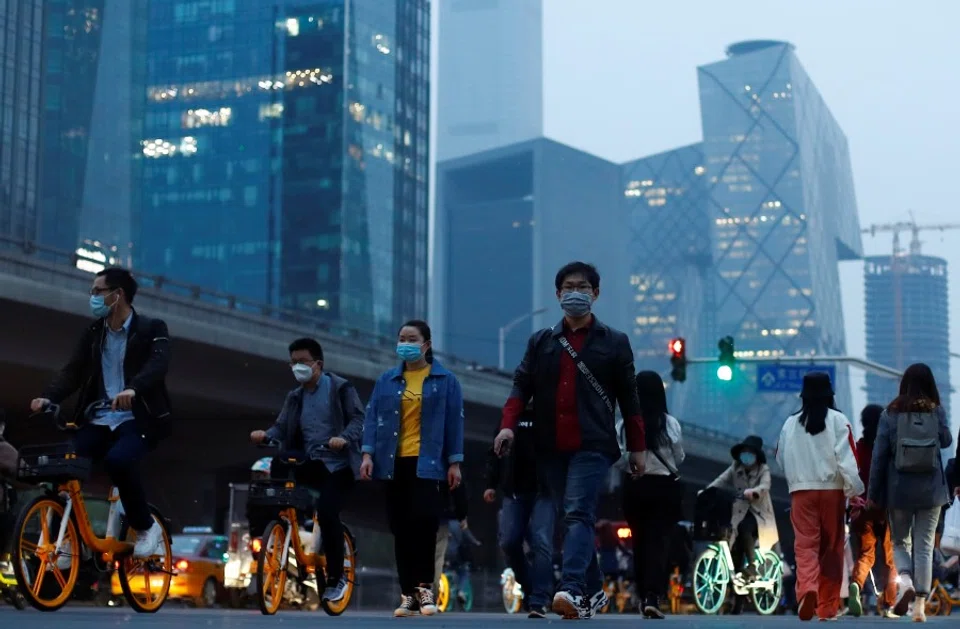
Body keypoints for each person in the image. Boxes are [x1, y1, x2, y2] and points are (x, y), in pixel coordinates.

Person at [493, 261, 646, 620]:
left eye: (582, 286)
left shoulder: (615, 342)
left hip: (593, 444)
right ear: (558, 294)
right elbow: (520, 387)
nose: (574, 292)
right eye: (567, 287)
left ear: (595, 293)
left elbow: (631, 399)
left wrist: (638, 447)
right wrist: (507, 426)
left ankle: (572, 588)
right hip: (550, 445)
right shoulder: (541, 342)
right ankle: (594, 592)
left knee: (578, 513)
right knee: (571, 518)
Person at [30, 267, 171, 558]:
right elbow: (73, 371)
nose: (92, 297)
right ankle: (64, 539)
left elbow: (158, 365)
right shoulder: (94, 332)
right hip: (99, 418)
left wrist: (134, 389)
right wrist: (47, 397)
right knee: (65, 467)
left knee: (118, 461)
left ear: (117, 295)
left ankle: (146, 527)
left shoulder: (152, 328)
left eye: (97, 291)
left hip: (138, 418)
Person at [360, 320, 464, 618]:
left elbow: (455, 423)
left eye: (412, 338)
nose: (405, 343)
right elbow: (372, 418)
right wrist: (367, 455)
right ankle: (407, 595)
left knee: (426, 526)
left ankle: (425, 590)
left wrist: (454, 462)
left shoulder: (445, 380)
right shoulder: (387, 380)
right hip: (393, 463)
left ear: (426, 344)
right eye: (402, 338)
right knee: (401, 528)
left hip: (429, 463)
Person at [249, 337, 365, 604]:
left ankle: (336, 579)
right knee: (274, 474)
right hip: (310, 462)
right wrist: (265, 435)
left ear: (318, 364)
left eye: (302, 362)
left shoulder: (340, 388)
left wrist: (344, 438)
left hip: (339, 465)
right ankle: (278, 530)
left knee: (327, 513)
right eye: (293, 363)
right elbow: (281, 427)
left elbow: (359, 419)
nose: (297, 367)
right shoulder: (295, 397)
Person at [868, 363, 952, 622]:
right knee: (925, 547)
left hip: (899, 490)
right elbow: (947, 440)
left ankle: (905, 581)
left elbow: (879, 457)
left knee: (900, 542)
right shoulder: (936, 412)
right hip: (931, 491)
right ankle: (919, 608)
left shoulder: (890, 414)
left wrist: (873, 493)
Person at [776, 372, 863, 622]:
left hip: (801, 493)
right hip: (832, 493)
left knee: (805, 546)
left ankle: (807, 591)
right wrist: (855, 492)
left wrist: (798, 478)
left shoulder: (789, 424)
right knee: (832, 550)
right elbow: (848, 461)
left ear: (803, 394)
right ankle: (827, 607)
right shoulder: (838, 420)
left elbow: (781, 458)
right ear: (830, 393)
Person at [622, 370, 684, 619]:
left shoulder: (625, 423)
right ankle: (653, 596)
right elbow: (679, 457)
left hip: (635, 486)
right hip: (663, 488)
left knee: (639, 542)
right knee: (659, 542)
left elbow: (618, 457)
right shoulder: (669, 423)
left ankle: (641, 593)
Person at [484, 403, 554, 618]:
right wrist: (491, 483)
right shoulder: (509, 416)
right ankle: (530, 588)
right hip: (514, 490)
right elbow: (495, 451)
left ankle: (540, 600)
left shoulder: (551, 412)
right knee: (508, 541)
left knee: (542, 541)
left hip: (545, 490)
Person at [706, 434, 778, 614]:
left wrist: (753, 492)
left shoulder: (764, 470)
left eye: (750, 453)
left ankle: (753, 567)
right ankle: (737, 603)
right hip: (738, 514)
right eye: (744, 453)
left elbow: (765, 486)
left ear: (757, 456)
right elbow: (721, 480)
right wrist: (707, 491)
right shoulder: (735, 467)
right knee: (735, 553)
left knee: (745, 528)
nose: (746, 456)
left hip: (759, 514)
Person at [848, 404, 897, 617]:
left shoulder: (858, 448)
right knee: (889, 557)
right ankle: (888, 605)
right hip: (886, 508)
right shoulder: (888, 448)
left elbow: (852, 477)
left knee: (866, 555)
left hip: (863, 508)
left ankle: (856, 585)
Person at [434, 480, 468, 601]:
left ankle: (411, 592)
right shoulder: (449, 465)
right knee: (439, 558)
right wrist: (462, 514)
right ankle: (431, 595)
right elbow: (458, 487)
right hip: (442, 516)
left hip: (418, 514)